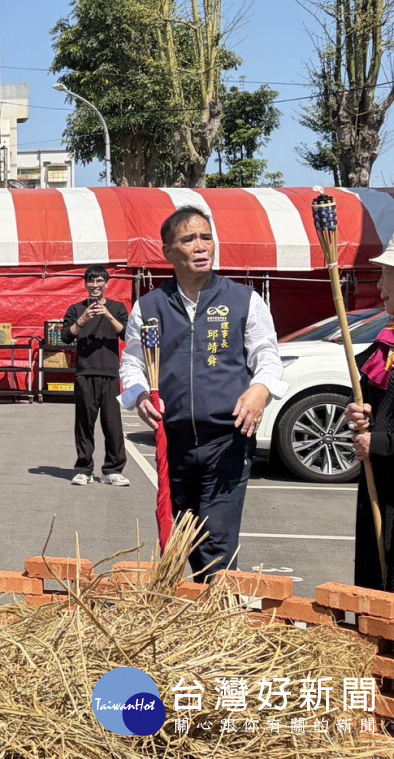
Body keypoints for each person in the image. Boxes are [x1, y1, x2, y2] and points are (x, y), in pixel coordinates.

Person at [120, 206, 285, 582]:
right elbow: (131, 364)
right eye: (188, 239)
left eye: (206, 237)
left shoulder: (244, 300)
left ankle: (218, 609)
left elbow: (267, 356)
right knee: (183, 537)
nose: (200, 246)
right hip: (174, 441)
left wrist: (260, 389)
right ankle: (195, 606)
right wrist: (141, 396)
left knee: (218, 539)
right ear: (168, 251)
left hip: (228, 439)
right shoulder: (149, 307)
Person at [345, 241, 394, 592]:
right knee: (373, 584)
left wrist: (379, 442)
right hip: (379, 482)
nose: (378, 285)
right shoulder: (385, 342)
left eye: (386, 274)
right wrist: (357, 413)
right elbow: (365, 397)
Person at [61, 264, 130, 486]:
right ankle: (84, 469)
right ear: (85, 284)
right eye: (91, 281)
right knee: (84, 423)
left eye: (99, 281)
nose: (95, 285)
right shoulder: (76, 309)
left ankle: (112, 470)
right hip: (85, 372)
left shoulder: (117, 308)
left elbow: (126, 334)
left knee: (112, 424)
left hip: (109, 373)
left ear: (106, 284)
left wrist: (107, 315)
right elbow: (65, 336)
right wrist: (82, 320)